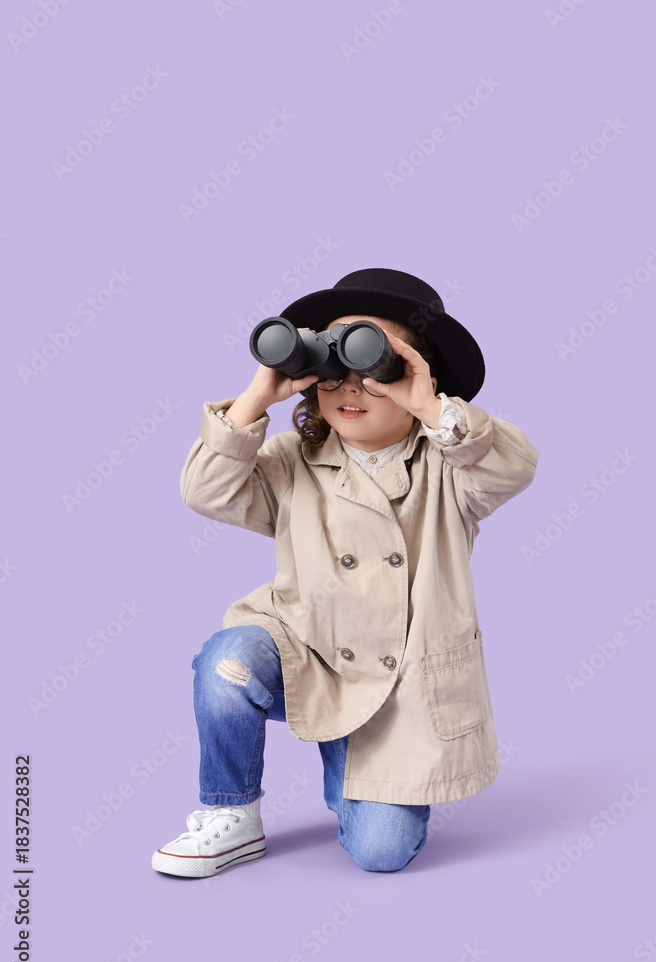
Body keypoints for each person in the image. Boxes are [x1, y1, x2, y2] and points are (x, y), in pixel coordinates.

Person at [151, 267, 539, 878]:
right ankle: (232, 812)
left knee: (379, 853)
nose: (350, 388)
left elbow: (512, 468)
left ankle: (353, 758)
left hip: (399, 685)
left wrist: (428, 405)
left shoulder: (449, 468)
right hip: (304, 650)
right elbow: (205, 491)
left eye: (374, 367)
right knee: (227, 664)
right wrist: (259, 395)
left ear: (417, 373)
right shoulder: (290, 460)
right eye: (332, 369)